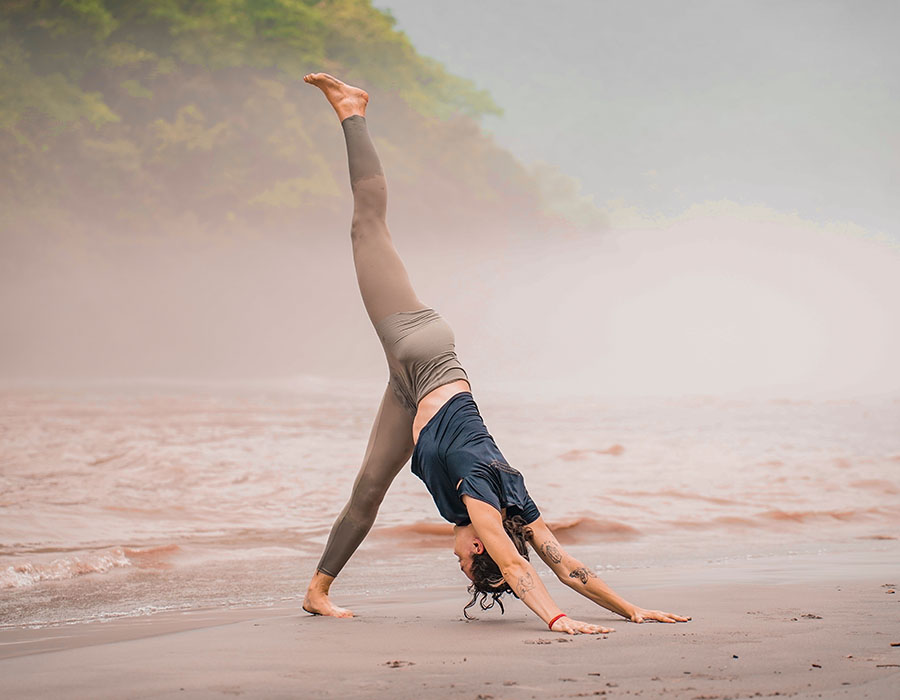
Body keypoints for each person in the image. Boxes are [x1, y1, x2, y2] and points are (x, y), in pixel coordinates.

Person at [301, 73, 690, 634]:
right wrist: (557, 620)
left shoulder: (519, 511)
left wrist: (633, 609)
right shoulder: (482, 498)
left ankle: (318, 590)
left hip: (409, 387)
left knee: (368, 489)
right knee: (368, 227)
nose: (456, 557)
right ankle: (352, 110)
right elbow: (515, 565)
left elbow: (566, 565)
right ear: (481, 546)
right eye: (464, 561)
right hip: (421, 347)